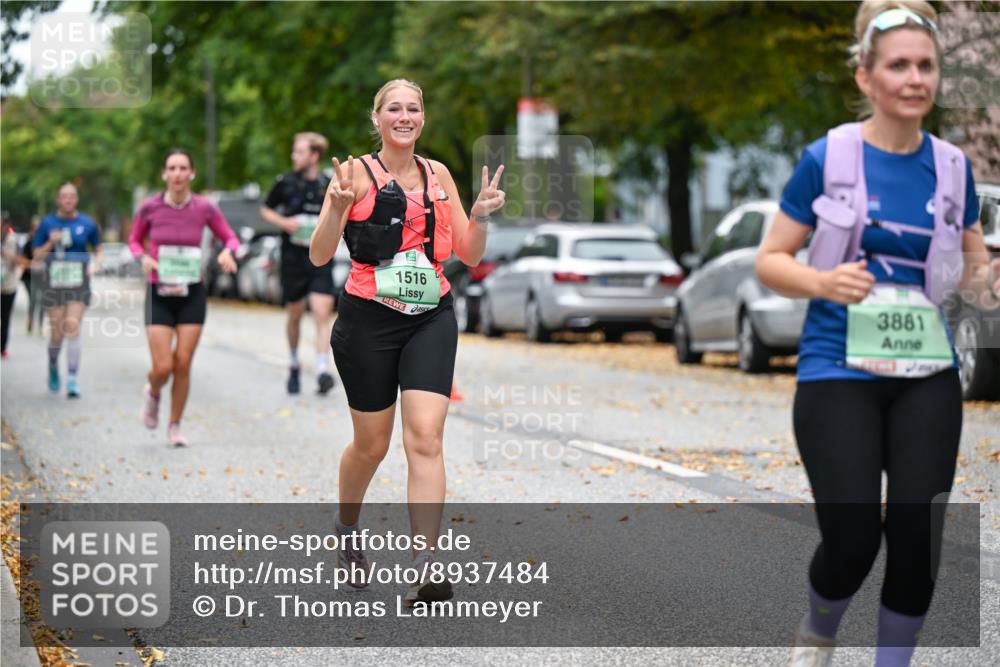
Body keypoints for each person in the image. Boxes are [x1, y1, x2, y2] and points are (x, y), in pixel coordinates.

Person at [755, 2, 996, 665]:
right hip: (838, 370)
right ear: (866, 77)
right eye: (899, 65)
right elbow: (770, 259)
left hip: (927, 374)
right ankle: (819, 629)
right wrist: (823, 283)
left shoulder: (952, 167)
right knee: (855, 537)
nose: (915, 78)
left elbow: (974, 267)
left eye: (926, 65)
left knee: (918, 538)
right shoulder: (827, 156)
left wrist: (986, 282)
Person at [310, 79, 505, 604]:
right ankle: (348, 526)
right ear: (376, 118)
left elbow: (466, 252)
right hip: (368, 319)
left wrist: (482, 215)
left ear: (423, 118)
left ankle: (426, 564)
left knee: (425, 436)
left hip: (430, 316)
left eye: (413, 108)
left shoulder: (438, 174)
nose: (404, 116)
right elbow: (319, 255)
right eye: (393, 108)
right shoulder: (353, 173)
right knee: (372, 445)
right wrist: (334, 207)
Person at [129, 149, 239, 447]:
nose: (177, 174)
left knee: (183, 362)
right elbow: (134, 240)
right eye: (171, 168)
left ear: (191, 174)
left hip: (192, 292)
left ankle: (175, 425)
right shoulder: (149, 208)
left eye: (182, 168)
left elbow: (229, 236)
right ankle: (153, 393)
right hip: (159, 292)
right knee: (163, 366)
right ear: (164, 174)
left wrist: (228, 251)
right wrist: (142, 259)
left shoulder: (204, 208)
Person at [260, 132, 337, 395]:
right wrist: (284, 223)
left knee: (321, 312)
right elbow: (266, 209)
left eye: (299, 152)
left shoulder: (328, 183)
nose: (294, 156)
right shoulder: (285, 182)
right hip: (293, 257)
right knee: (294, 313)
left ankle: (322, 369)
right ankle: (293, 363)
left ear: (314, 156)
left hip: (320, 258)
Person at [31, 183, 103, 398]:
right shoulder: (48, 223)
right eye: (64, 196)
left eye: (72, 196)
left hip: (78, 282)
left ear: (77, 199)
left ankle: (72, 379)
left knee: (73, 328)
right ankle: (53, 364)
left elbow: (99, 250)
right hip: (54, 283)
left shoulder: (88, 223)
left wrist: (95, 264)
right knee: (57, 333)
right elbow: (36, 255)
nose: (68, 200)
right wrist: (49, 244)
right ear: (58, 199)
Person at [1, 223, 22, 358]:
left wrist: (5, 253)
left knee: (5, 317)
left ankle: (2, 347)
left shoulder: (12, 239)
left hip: (8, 284)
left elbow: (18, 261)